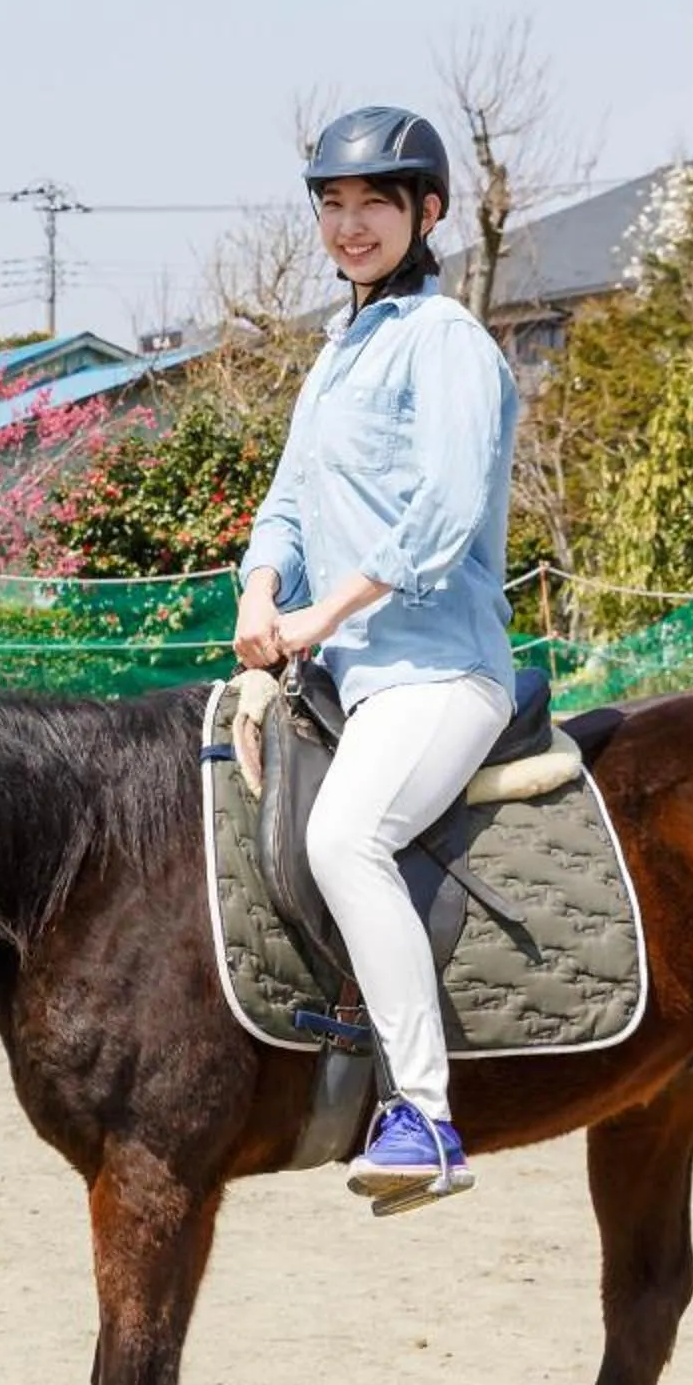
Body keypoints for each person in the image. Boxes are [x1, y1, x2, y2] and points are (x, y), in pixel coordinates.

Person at [232, 106, 522, 1210]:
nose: (350, 225)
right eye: (334, 205)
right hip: (342, 673)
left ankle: (426, 1117)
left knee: (347, 836)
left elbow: (444, 512)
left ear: (426, 211)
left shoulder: (446, 341)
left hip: (436, 670)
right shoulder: (336, 353)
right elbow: (288, 505)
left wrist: (320, 617)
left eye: (375, 205)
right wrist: (262, 588)